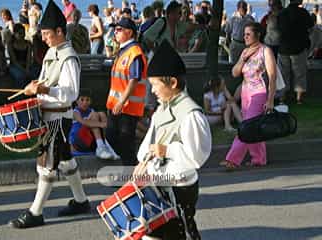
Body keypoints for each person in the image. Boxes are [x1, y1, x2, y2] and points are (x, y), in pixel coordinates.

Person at [9, 0, 91, 229]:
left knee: (46, 163)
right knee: (65, 161)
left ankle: (36, 212)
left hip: (58, 118)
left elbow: (71, 93)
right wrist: (34, 86)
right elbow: (46, 82)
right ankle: (81, 201)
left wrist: (43, 90)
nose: (43, 38)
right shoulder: (52, 52)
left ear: (59, 31)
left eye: (46, 34)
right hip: (49, 116)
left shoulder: (69, 58)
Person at [134, 40, 212, 240]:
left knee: (181, 233)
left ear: (173, 83)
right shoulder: (162, 107)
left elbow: (197, 157)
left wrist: (167, 150)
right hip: (159, 182)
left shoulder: (191, 113)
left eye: (155, 84)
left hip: (179, 188)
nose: (152, 90)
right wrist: (143, 161)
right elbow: (151, 141)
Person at [221, 22, 276, 169]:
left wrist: (270, 100)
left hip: (259, 92)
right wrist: (243, 59)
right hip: (246, 93)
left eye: (248, 34)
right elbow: (234, 73)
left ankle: (232, 159)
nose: (244, 37)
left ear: (257, 35)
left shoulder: (266, 51)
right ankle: (259, 158)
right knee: (254, 127)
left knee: (247, 126)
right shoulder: (245, 52)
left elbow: (272, 76)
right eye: (244, 34)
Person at [105, 17, 147, 166]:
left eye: (118, 30)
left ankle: (132, 174)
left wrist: (122, 101)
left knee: (125, 140)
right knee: (111, 136)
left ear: (129, 33)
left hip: (128, 106)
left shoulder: (134, 52)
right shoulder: (123, 51)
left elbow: (134, 80)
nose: (115, 33)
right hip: (117, 105)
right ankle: (132, 168)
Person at [277, 0, 314, 104]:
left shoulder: (282, 13)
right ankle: (299, 99)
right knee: (299, 74)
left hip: (284, 47)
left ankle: (282, 98)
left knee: (284, 74)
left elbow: (278, 28)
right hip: (299, 47)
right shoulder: (303, 13)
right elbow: (311, 28)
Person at [69, 90, 119, 160]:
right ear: (77, 101)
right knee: (95, 117)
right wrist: (102, 124)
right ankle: (101, 147)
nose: (85, 102)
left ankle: (107, 146)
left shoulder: (91, 111)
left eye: (87, 100)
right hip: (78, 142)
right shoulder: (75, 112)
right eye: (82, 100)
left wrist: (104, 124)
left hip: (90, 141)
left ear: (91, 101)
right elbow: (83, 122)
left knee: (101, 113)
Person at [7, 23, 33, 88]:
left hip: (26, 64)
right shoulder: (10, 44)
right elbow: (14, 60)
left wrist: (27, 68)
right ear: (14, 33)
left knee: (34, 74)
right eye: (20, 33)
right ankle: (19, 93)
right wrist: (24, 70)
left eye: (23, 33)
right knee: (20, 76)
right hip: (14, 66)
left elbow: (28, 58)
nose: (22, 35)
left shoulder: (28, 43)